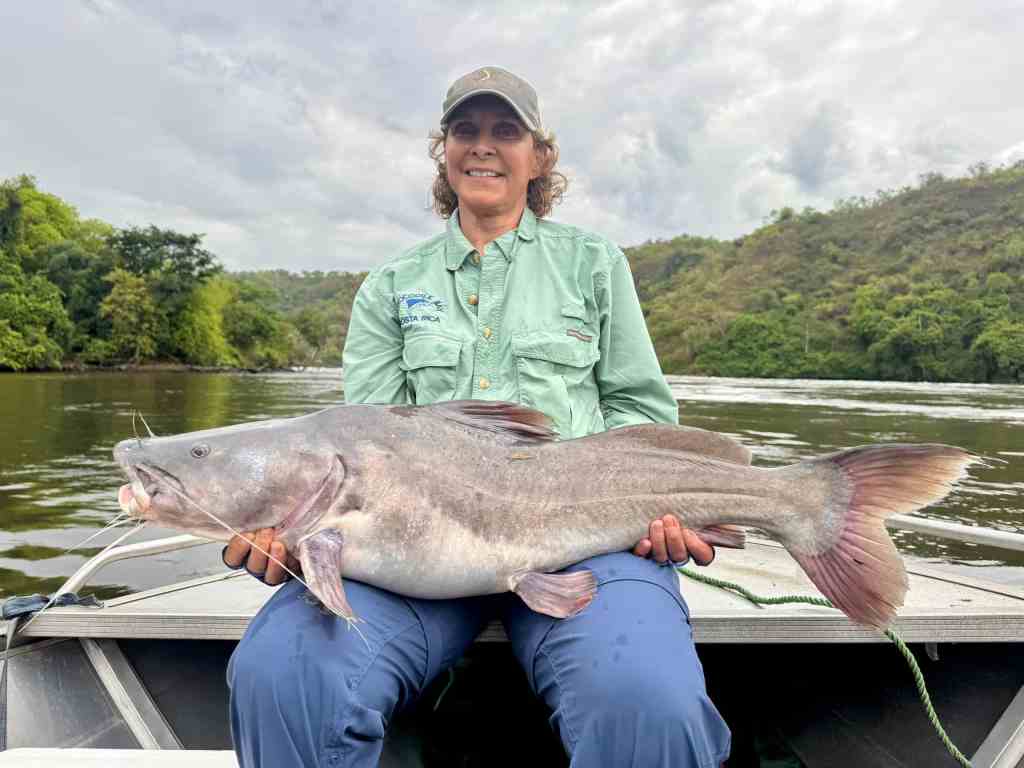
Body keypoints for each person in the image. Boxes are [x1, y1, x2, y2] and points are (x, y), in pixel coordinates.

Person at [224, 66, 731, 768]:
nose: (483, 146)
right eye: (465, 130)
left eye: (506, 131)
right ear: (444, 150)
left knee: (645, 695)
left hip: (588, 548)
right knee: (282, 675)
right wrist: (289, 533)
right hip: (409, 565)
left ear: (539, 156)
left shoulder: (594, 264)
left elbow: (641, 414)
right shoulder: (390, 286)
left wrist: (672, 515)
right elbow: (357, 444)